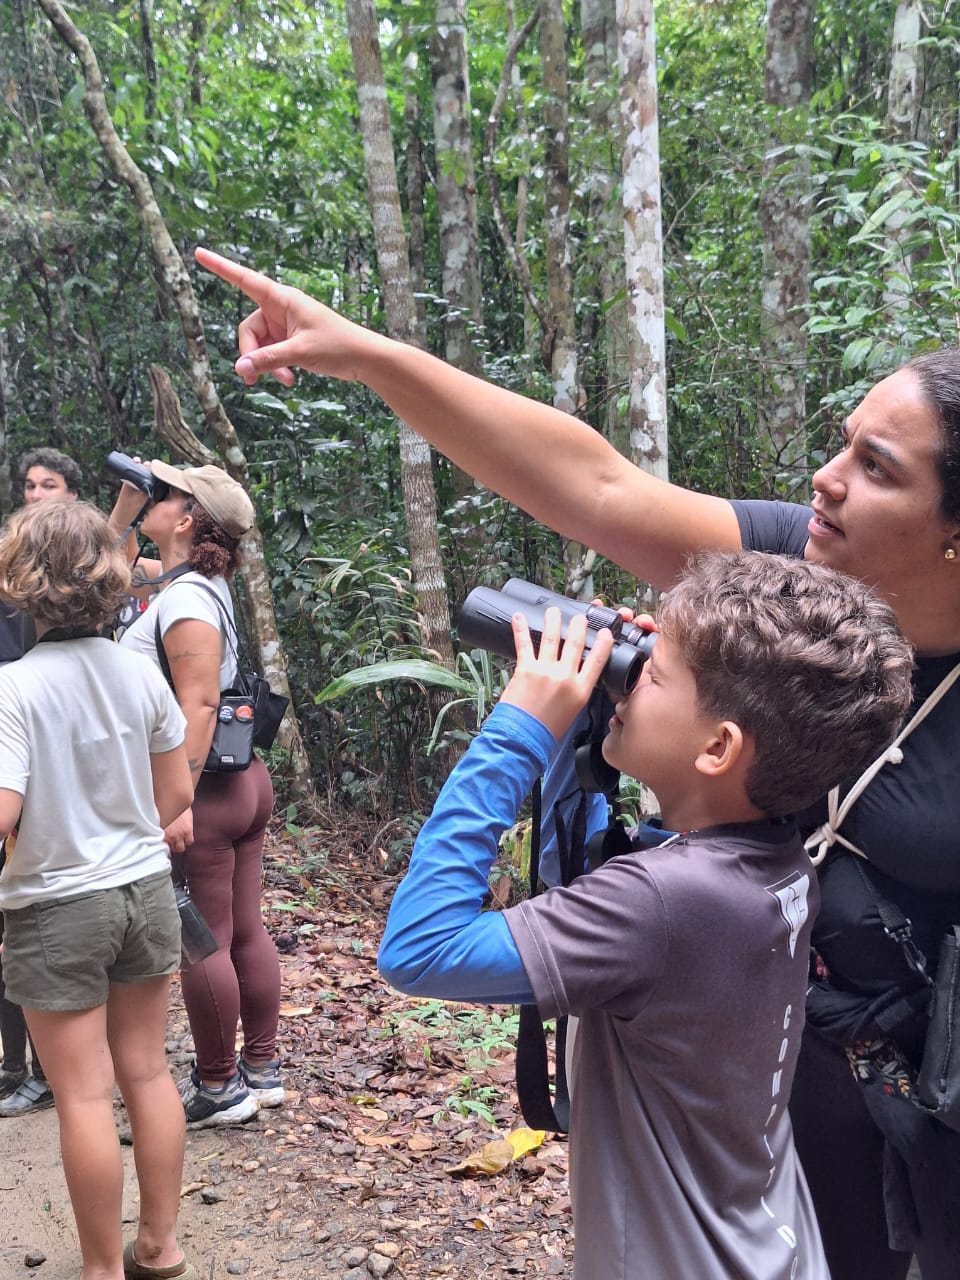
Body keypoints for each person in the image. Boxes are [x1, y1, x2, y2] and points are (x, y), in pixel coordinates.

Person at [194, 246, 960, 1279]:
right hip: (769, 1079)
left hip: (928, 1097)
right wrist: (368, 353)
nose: (827, 478)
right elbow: (598, 486)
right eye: (844, 444)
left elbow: (423, 947)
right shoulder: (801, 577)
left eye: (878, 468)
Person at [380, 550, 914, 1279]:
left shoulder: (664, 904)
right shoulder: (774, 857)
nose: (627, 680)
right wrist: (588, 722)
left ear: (718, 746)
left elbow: (420, 947)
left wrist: (519, 730)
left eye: (651, 674)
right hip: (766, 1245)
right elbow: (585, 870)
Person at [0, 498, 197, 1280]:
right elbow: (176, 796)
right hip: (144, 891)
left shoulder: (14, 689)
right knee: (146, 1072)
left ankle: (100, 1269)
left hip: (56, 905)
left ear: (21, 581)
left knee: (82, 1095)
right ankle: (160, 1245)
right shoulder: (137, 671)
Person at [108, 460, 283, 1127]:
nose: (153, 497)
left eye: (164, 493)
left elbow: (200, 704)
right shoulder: (195, 584)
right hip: (241, 780)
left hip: (204, 793)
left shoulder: (184, 602)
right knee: (243, 931)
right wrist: (126, 511)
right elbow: (107, 578)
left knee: (202, 941)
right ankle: (260, 1069)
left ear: (185, 519)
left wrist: (175, 802)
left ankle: (218, 1086)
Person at [0, 447, 83, 1119]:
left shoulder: (88, 575)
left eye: (47, 485)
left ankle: (63, 1069)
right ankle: (16, 1067)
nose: (34, 495)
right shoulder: (9, 570)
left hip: (60, 749)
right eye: (28, 485)